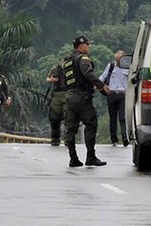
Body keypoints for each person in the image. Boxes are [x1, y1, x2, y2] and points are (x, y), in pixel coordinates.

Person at [63, 35, 110, 168]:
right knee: (91, 124)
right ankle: (91, 156)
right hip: (82, 97)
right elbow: (87, 73)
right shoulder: (82, 58)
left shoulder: (67, 61)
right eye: (87, 45)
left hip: (70, 96)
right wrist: (101, 86)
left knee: (71, 128)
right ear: (81, 46)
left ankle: (73, 158)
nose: (89, 47)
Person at [100, 50, 129, 146]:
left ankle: (125, 137)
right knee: (113, 118)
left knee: (122, 117)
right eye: (117, 60)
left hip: (123, 94)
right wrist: (102, 86)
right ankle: (114, 139)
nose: (118, 62)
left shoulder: (128, 68)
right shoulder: (111, 66)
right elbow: (102, 78)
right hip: (112, 94)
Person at [45, 61, 68, 146]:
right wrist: (52, 79)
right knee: (54, 118)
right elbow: (47, 78)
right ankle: (55, 139)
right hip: (56, 95)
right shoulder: (55, 69)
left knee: (68, 118)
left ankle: (68, 139)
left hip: (68, 94)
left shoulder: (72, 70)